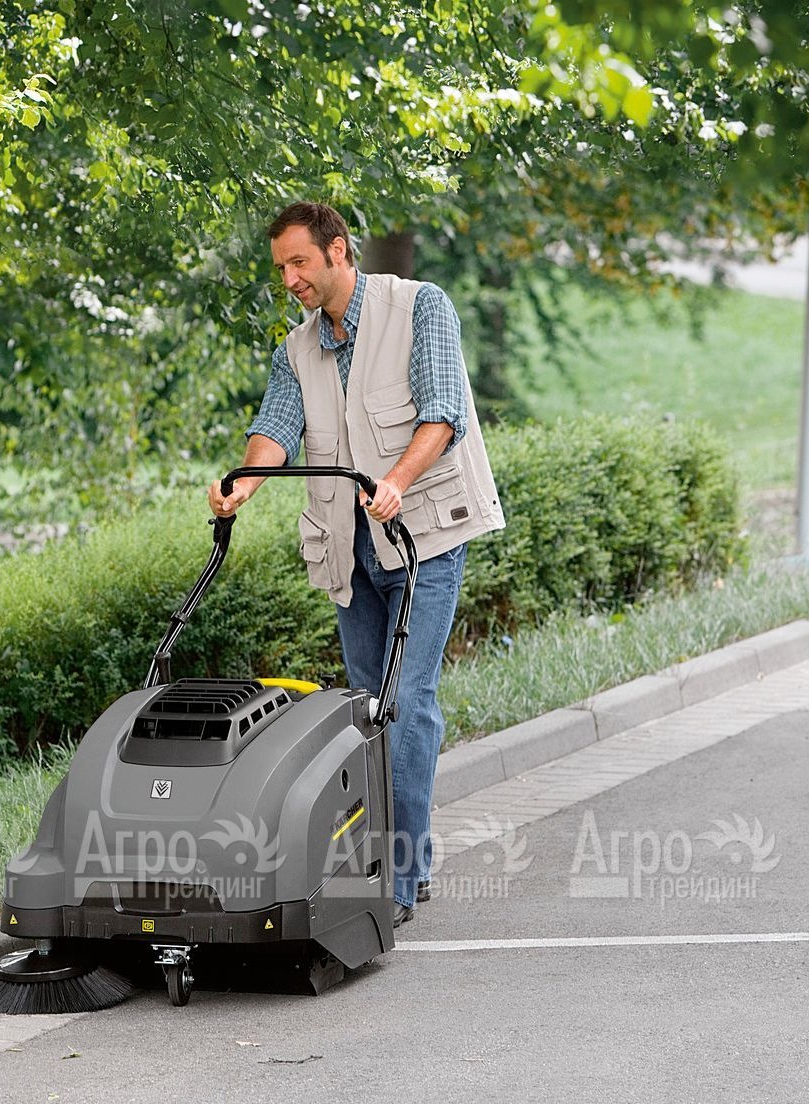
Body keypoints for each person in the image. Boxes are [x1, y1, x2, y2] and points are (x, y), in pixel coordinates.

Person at [208, 201, 505, 927]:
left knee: (406, 703)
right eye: (281, 267)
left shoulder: (420, 307)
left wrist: (396, 482)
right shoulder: (298, 348)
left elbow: (443, 413)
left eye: (299, 262)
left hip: (422, 537)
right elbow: (276, 427)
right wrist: (243, 483)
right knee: (365, 710)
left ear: (338, 250)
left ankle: (399, 879)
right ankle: (377, 862)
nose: (289, 279)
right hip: (350, 549)